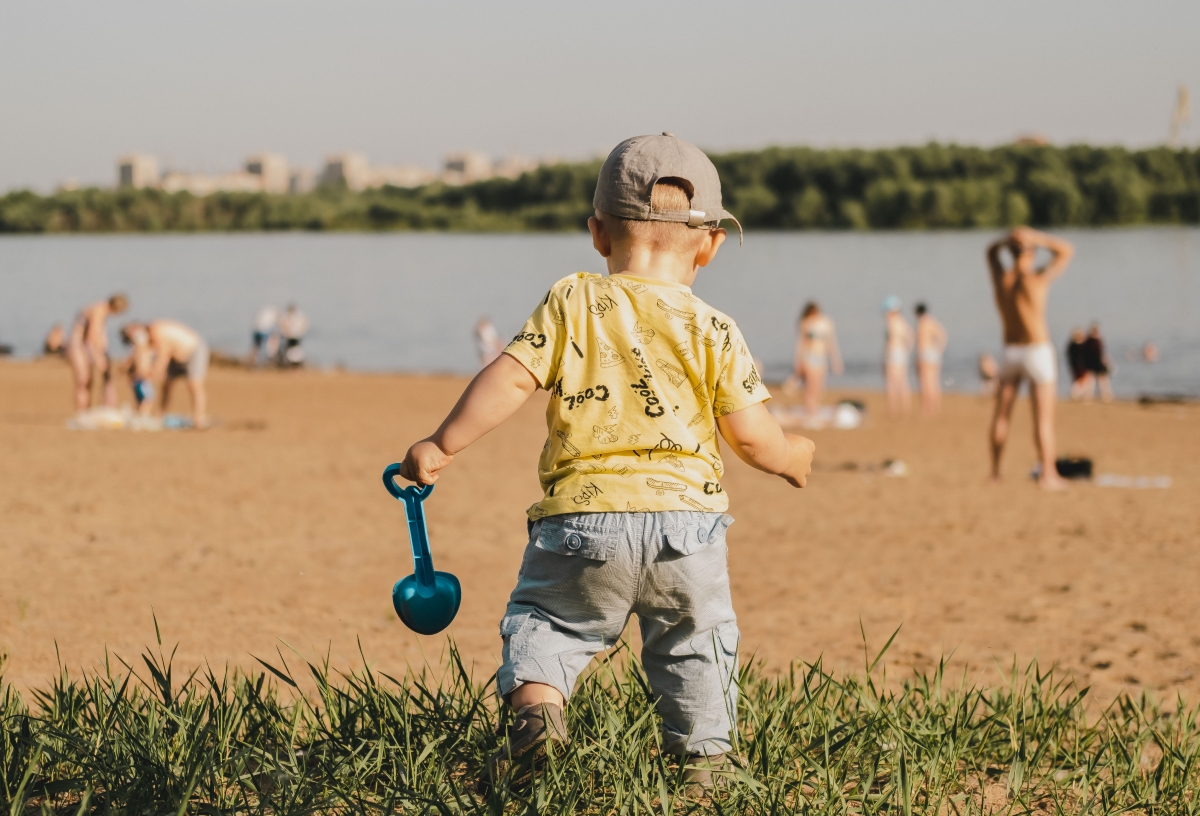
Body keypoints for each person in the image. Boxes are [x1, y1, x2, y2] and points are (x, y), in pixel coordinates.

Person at [393, 134, 815, 794]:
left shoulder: (572, 301)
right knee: (694, 642)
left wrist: (442, 444)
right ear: (710, 245)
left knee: (547, 623)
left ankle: (537, 718)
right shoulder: (715, 328)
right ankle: (704, 765)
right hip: (687, 530)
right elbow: (753, 436)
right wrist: (793, 457)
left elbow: (507, 380)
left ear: (597, 233)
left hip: (583, 520)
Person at [985, 227, 1074, 489]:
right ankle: (1048, 474)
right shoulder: (1036, 280)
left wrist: (1009, 238)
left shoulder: (1003, 280)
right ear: (1032, 254)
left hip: (1010, 350)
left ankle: (995, 473)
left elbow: (990, 252)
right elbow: (1066, 250)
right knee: (1043, 420)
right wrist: (1036, 237)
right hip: (1037, 350)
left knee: (1001, 416)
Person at [120, 319, 210, 427]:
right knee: (167, 385)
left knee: (194, 385)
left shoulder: (156, 331)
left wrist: (152, 372)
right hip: (174, 355)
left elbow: (163, 355)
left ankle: (198, 418)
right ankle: (161, 416)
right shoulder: (148, 337)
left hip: (192, 350)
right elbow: (144, 354)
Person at [65, 293, 129, 412]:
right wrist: (98, 357)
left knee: (88, 382)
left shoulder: (101, 309)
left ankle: (86, 411)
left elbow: (98, 335)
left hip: (82, 346)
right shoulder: (99, 310)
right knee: (83, 381)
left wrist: (102, 351)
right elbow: (92, 336)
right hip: (78, 346)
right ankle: (82, 412)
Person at [793, 302, 843, 417]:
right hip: (809, 358)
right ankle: (810, 413)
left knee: (819, 389)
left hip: (822, 359)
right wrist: (798, 362)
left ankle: (813, 412)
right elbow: (800, 344)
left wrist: (836, 362)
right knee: (810, 388)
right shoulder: (805, 323)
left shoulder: (826, 323)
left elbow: (832, 344)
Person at [914, 302, 947, 415]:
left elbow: (920, 342)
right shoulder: (932, 321)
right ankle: (935, 406)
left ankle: (926, 408)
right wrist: (939, 349)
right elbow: (942, 334)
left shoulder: (922, 323)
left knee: (925, 382)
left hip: (925, 354)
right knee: (934, 381)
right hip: (933, 354)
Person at [882, 296, 913, 416]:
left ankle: (892, 410)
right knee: (903, 382)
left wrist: (886, 355)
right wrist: (906, 349)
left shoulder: (892, 322)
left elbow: (889, 342)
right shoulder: (902, 321)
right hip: (901, 354)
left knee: (891, 383)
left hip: (892, 354)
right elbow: (911, 337)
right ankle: (906, 409)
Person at [1082, 322, 1113, 402]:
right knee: (1094, 382)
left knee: (1101, 382)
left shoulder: (1092, 341)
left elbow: (1101, 353)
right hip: (1094, 364)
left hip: (1096, 364)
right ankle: (1091, 397)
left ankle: (1105, 396)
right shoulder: (1091, 341)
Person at [278, 304, 309, 368]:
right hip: (290, 336)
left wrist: (300, 331)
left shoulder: (298, 316)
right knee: (290, 351)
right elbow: (283, 325)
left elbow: (305, 323)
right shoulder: (287, 316)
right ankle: (292, 365)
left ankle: (296, 365)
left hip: (296, 336)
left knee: (296, 350)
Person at [1066, 327, 1092, 400]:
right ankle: (1075, 394)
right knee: (1081, 382)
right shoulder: (1075, 346)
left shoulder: (1074, 345)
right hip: (1079, 366)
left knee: (1085, 381)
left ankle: (1084, 396)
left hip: (1080, 366)